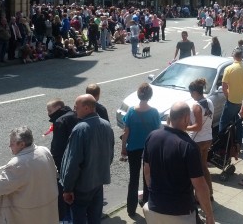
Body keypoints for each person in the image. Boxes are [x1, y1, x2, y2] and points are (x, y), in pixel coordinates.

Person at [143, 101, 214, 224]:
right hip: (180, 212)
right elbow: (200, 186)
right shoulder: (189, 147)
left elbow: (147, 172)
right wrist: (209, 215)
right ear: (186, 118)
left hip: (153, 208)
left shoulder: (152, 137)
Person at [60, 94, 115, 224]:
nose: (74, 110)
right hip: (98, 183)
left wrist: (67, 189)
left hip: (81, 187)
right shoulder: (107, 125)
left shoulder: (80, 129)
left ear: (86, 108)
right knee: (95, 219)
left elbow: (73, 162)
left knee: (79, 219)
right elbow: (110, 155)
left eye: (76, 107)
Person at [0, 126, 59, 224]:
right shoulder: (44, 151)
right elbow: (55, 173)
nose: (9, 146)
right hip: (48, 208)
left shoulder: (16, 164)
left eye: (12, 144)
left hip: (26, 214)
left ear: (22, 144)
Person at [121, 83, 161, 218]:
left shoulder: (131, 112)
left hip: (133, 149)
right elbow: (157, 132)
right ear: (150, 96)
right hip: (149, 149)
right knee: (148, 178)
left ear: (138, 94)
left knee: (133, 179)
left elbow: (126, 132)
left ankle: (130, 209)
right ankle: (147, 205)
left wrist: (123, 149)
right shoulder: (154, 112)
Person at [46, 99, 79, 223]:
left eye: (50, 110)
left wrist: (55, 167)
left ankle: (66, 219)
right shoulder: (74, 115)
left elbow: (57, 148)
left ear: (59, 108)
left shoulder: (60, 121)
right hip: (77, 162)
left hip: (64, 165)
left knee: (64, 195)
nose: (48, 113)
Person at [186, 78, 214, 200]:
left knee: (194, 170)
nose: (191, 95)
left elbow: (197, 127)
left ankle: (198, 196)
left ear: (195, 92)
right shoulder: (210, 102)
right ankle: (209, 193)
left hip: (197, 141)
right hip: (208, 138)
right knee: (203, 167)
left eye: (191, 93)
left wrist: (184, 127)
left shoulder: (196, 106)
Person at [218, 49, 243, 146]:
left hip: (232, 101)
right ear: (242, 58)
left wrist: (228, 96)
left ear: (233, 56)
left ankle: (222, 141)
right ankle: (238, 142)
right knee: (240, 122)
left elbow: (224, 87)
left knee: (224, 121)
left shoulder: (229, 69)